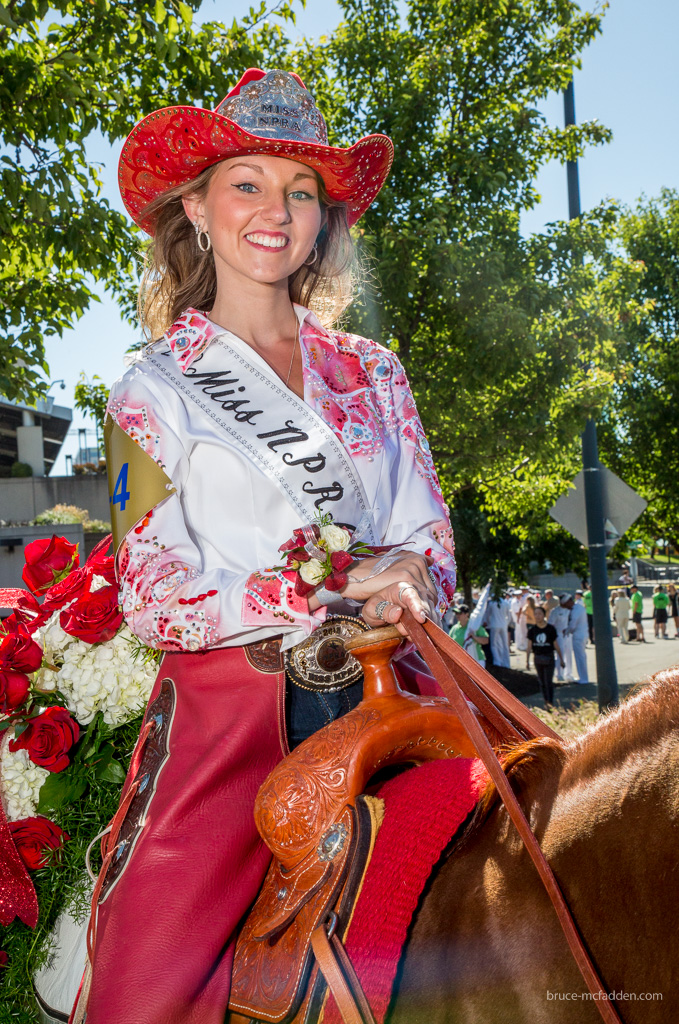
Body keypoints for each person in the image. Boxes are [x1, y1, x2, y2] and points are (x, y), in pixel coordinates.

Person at [81, 69, 457, 1024]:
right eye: (246, 182)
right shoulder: (151, 391)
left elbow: (428, 540)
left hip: (395, 687)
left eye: (300, 191)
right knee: (141, 994)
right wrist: (331, 580)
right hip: (234, 716)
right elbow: (155, 592)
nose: (275, 210)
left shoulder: (373, 373)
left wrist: (412, 569)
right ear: (197, 210)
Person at [526, 606, 564, 707]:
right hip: (538, 658)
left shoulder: (550, 629)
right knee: (542, 681)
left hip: (549, 657)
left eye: (539, 614)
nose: (537, 616)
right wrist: (527, 660)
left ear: (544, 615)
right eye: (536, 614)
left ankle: (550, 701)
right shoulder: (532, 630)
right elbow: (529, 646)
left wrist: (561, 659)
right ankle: (546, 701)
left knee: (548, 681)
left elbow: (556, 645)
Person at [565, 594, 589, 684]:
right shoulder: (580, 607)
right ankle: (583, 677)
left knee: (580, 658)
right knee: (582, 657)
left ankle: (583, 679)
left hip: (578, 636)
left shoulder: (575, 610)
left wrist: (566, 631)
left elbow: (572, 625)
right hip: (583, 634)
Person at [548, 596, 573, 682]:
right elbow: (550, 624)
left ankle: (569, 673)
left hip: (568, 634)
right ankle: (559, 674)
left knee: (569, 653)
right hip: (558, 635)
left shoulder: (570, 610)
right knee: (560, 654)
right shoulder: (555, 611)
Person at [484, 594, 511, 668]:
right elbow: (509, 616)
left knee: (494, 644)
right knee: (505, 644)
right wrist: (506, 623)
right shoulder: (506, 603)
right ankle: (506, 663)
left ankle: (497, 661)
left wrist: (489, 623)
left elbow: (487, 615)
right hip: (503, 625)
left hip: (494, 625)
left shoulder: (492, 603)